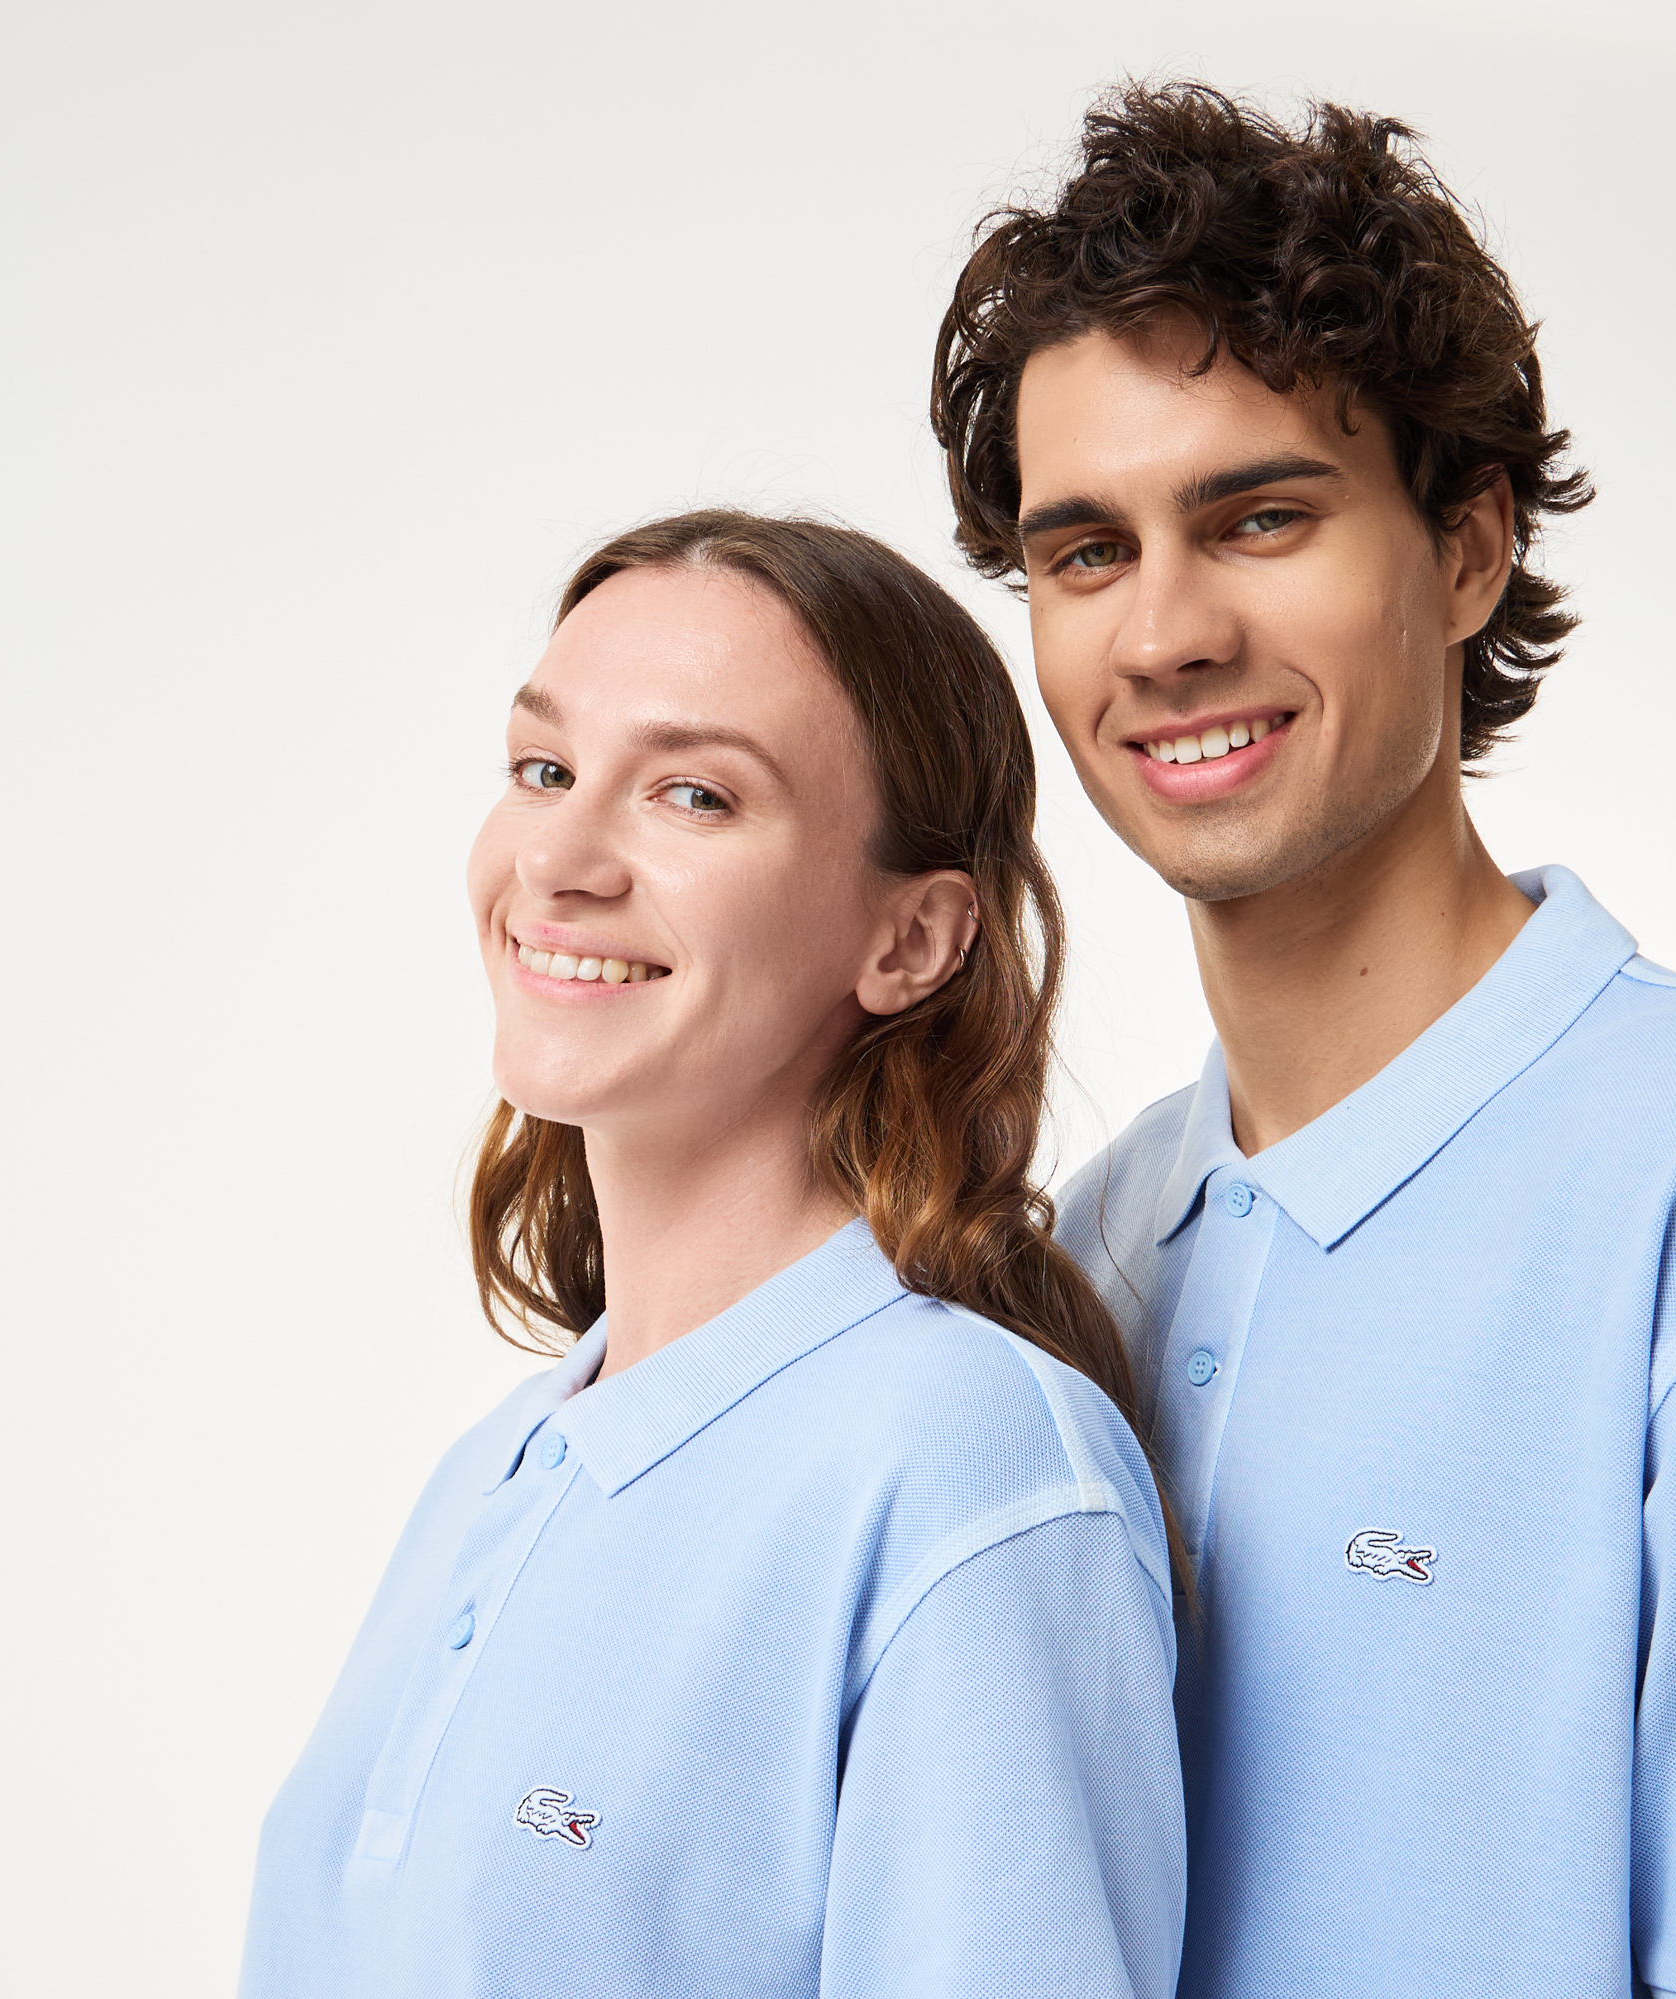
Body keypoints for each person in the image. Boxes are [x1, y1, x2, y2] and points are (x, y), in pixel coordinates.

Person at [931, 83, 1676, 1999]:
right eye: (1084, 553)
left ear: (1471, 552)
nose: (1162, 635)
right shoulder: (1089, 1261)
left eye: (1259, 518)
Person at [238, 511, 1186, 1997]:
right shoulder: (500, 1467)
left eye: (693, 794)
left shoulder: (972, 1473)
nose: (559, 858)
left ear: (911, 940)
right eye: (543, 769)